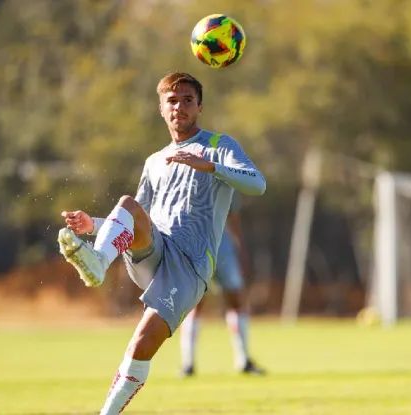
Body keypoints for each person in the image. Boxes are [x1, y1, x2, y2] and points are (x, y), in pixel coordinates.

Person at [58, 72, 266, 414]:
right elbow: (138, 218)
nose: (179, 107)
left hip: (189, 268)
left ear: (200, 107)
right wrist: (93, 224)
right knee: (128, 203)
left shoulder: (220, 145)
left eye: (187, 100)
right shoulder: (154, 161)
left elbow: (257, 184)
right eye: (172, 101)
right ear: (161, 108)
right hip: (156, 251)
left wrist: (211, 166)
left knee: (141, 343)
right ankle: (97, 261)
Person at [180, 192, 266, 377]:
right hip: (194, 246)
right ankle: (188, 363)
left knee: (236, 300)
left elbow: (233, 216)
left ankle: (243, 360)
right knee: (196, 303)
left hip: (222, 247)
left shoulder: (222, 178)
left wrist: (240, 248)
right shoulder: (184, 179)